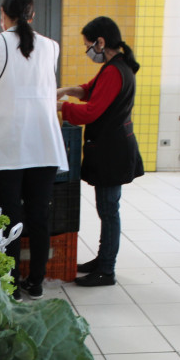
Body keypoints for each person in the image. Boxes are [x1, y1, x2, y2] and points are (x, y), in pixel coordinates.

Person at [0, 0, 67, 301]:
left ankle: (11, 284)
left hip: (8, 144)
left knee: (9, 218)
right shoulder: (52, 46)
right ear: (33, 14)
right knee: (39, 216)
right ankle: (36, 283)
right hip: (45, 145)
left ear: (4, 15)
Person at [57, 17, 144, 287]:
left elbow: (92, 110)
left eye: (88, 45)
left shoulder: (115, 71)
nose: (88, 51)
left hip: (112, 151)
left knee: (108, 210)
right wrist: (63, 91)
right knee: (107, 209)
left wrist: (59, 107)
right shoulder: (115, 67)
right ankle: (102, 259)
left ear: (101, 42)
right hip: (112, 147)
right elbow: (89, 90)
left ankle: (106, 269)